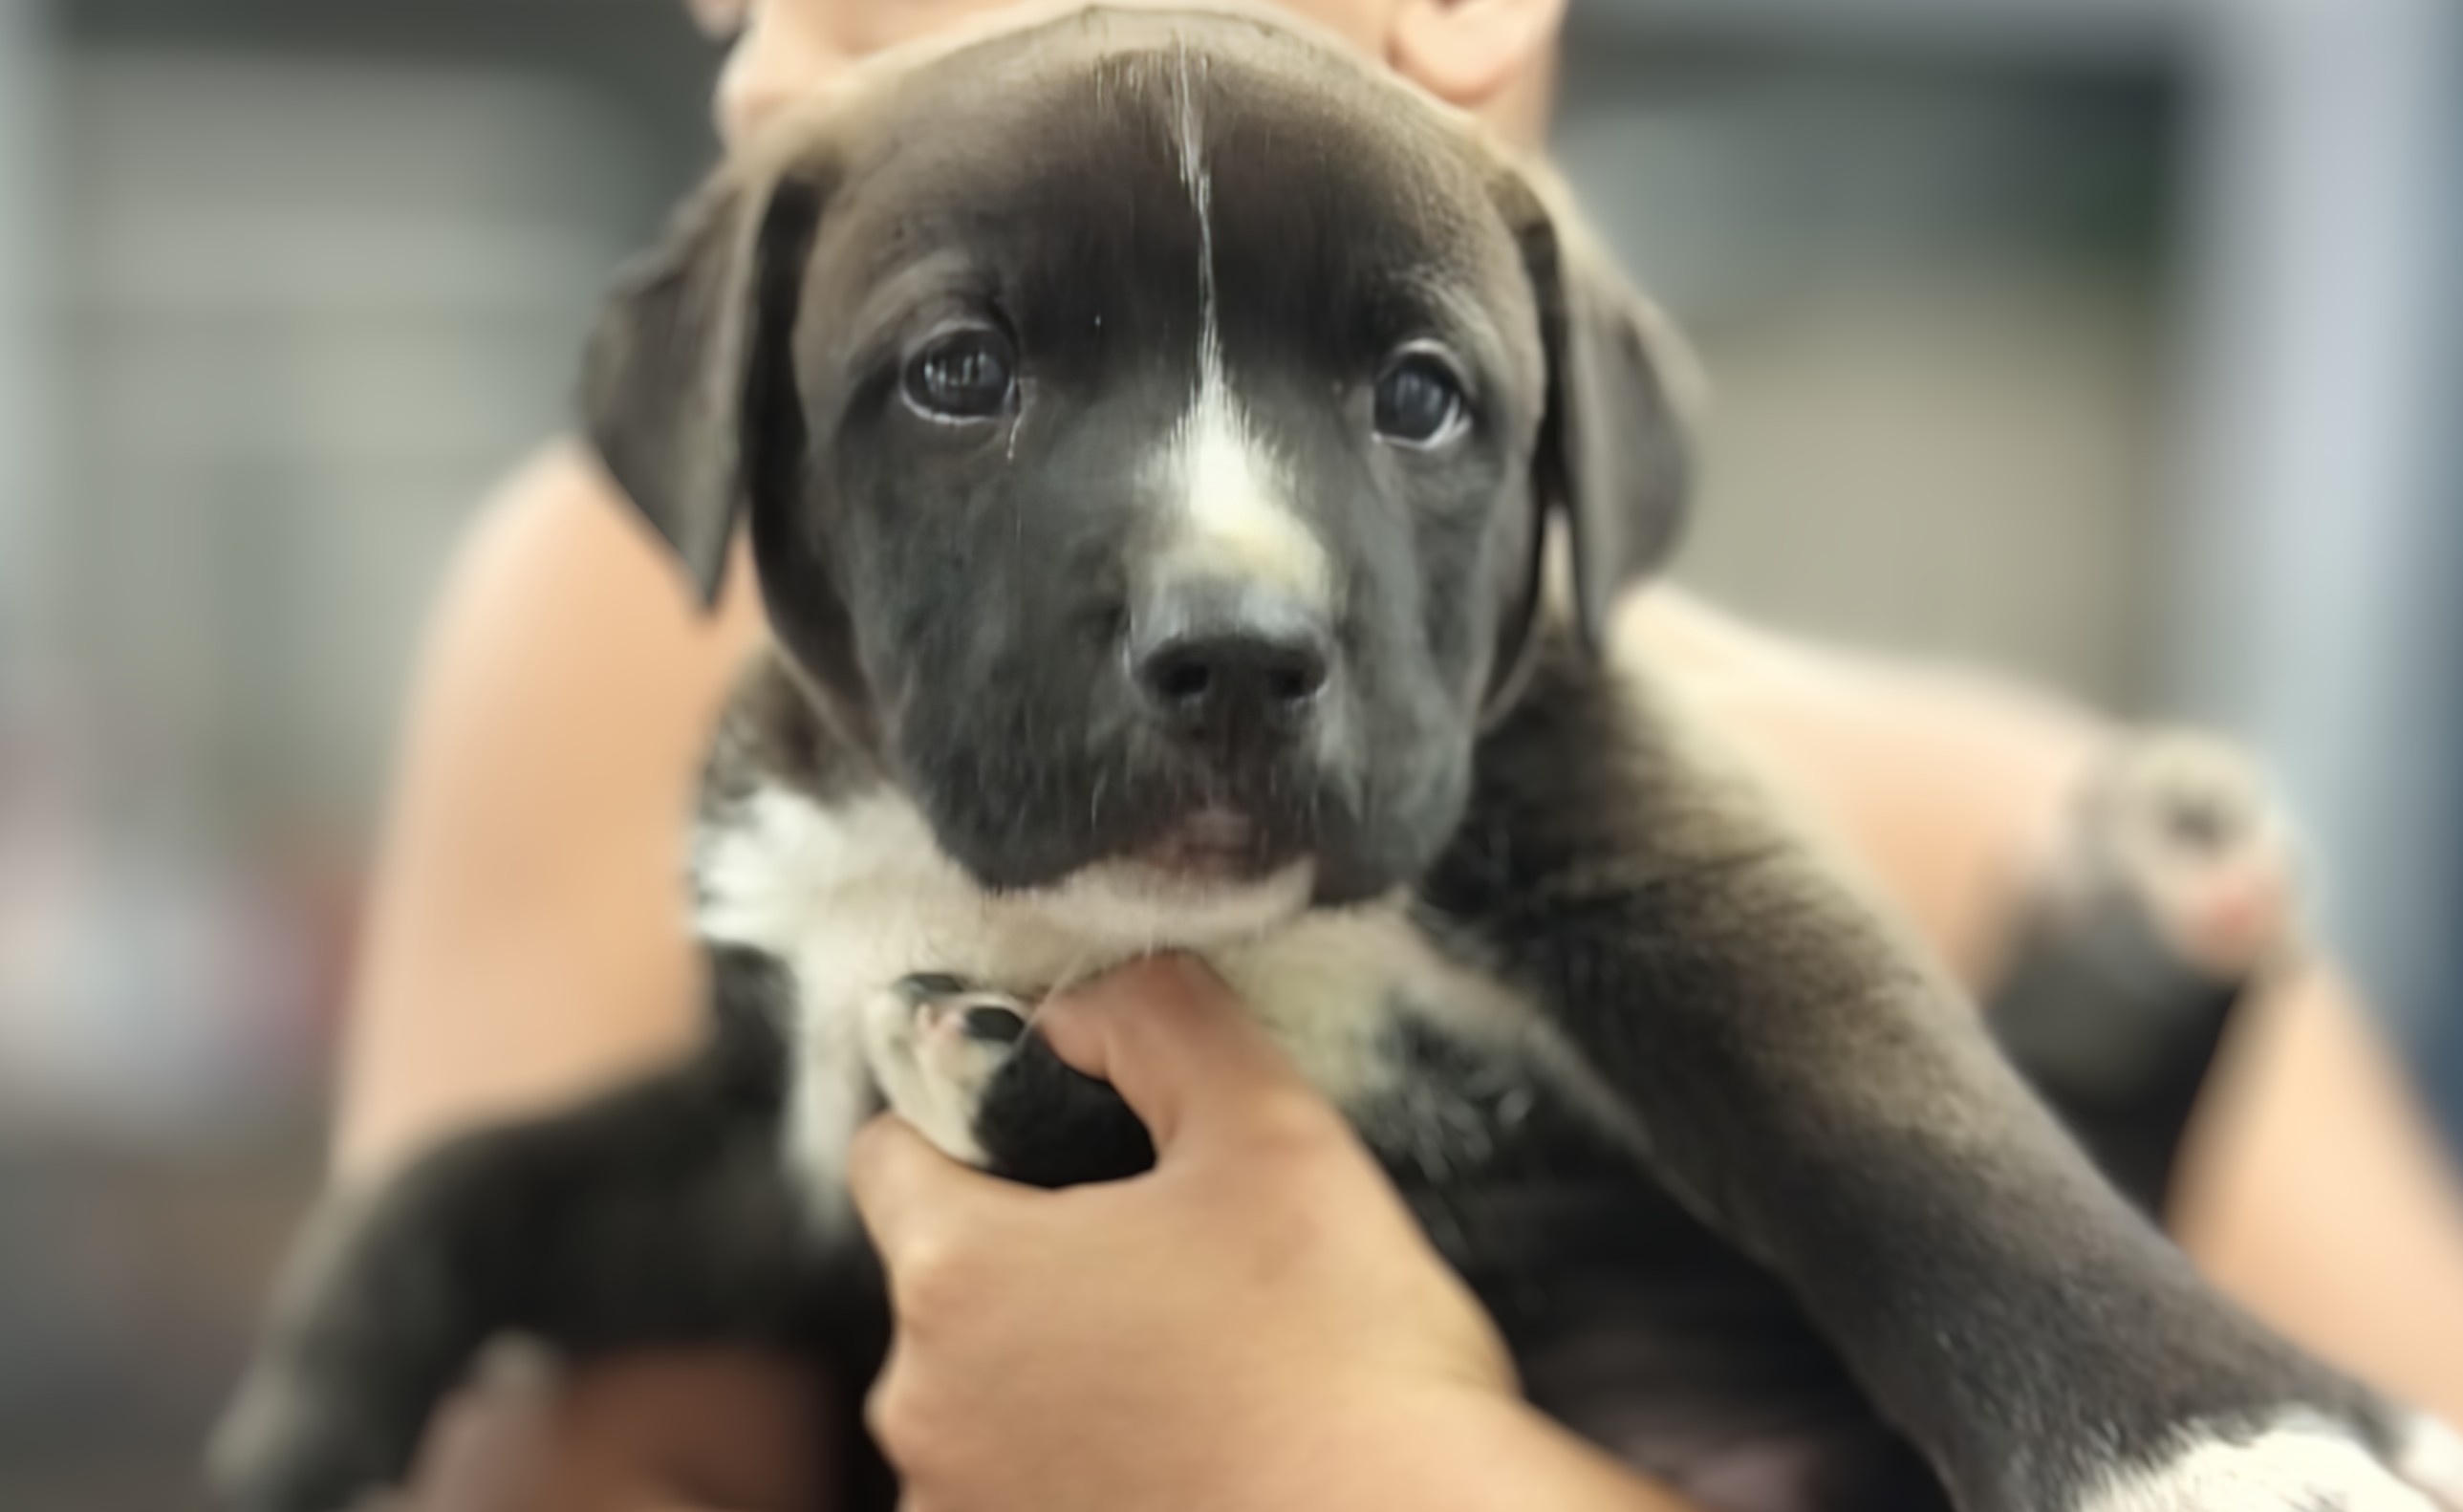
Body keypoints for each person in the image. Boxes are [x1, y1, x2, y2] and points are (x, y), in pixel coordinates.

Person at [334, 0, 2463, 1504]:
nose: (737, 11)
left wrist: (1370, 1469)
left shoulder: (1986, 816)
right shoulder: (671, 618)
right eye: (967, 367)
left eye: (1420, 400)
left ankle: (2092, 1065)